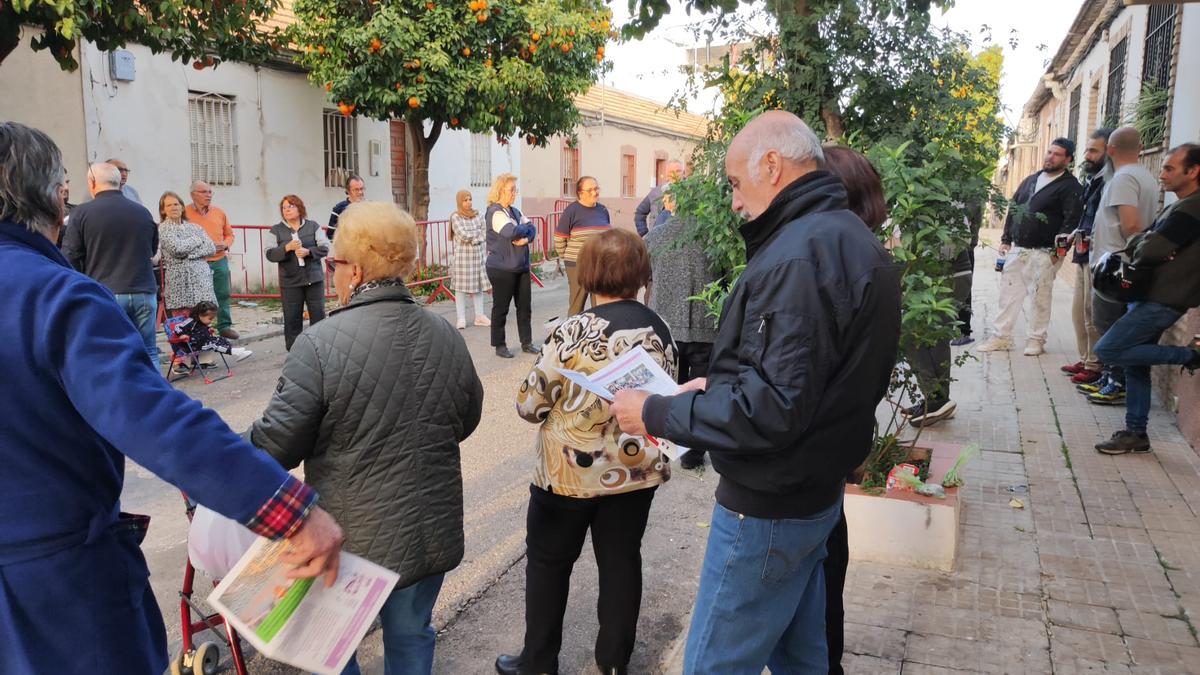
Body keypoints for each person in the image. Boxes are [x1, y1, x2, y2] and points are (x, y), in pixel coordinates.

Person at [0, 120, 344, 675]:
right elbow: (154, 418)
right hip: (57, 593)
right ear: (51, 197)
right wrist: (287, 508)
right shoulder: (52, 296)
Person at [611, 111, 902, 673]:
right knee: (802, 658)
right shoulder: (849, 240)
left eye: (736, 185)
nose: (735, 203)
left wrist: (656, 410)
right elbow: (814, 373)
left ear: (773, 166)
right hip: (813, 492)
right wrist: (718, 383)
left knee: (714, 663)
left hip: (770, 503)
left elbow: (770, 409)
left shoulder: (798, 255)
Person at [248, 201, 484, 675]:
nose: (332, 274)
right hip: (427, 527)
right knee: (413, 633)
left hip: (352, 540)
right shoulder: (444, 333)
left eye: (335, 265)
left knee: (336, 643)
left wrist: (223, 450)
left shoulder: (319, 344)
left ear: (354, 270)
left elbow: (276, 446)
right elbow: (466, 418)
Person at [496, 229, 676, 675]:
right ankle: (613, 662)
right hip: (635, 472)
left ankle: (538, 662)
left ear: (590, 273)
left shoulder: (570, 331)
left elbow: (529, 405)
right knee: (621, 562)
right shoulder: (660, 327)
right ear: (639, 273)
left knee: (549, 563)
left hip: (567, 475)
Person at [810, 144, 890, 674]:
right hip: (837, 450)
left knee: (817, 572)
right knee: (826, 570)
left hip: (811, 459)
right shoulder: (869, 256)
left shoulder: (830, 263)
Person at [1093, 143, 1200, 454]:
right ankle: (1135, 433)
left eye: (1169, 168)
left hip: (1163, 299)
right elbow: (1147, 241)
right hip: (1151, 293)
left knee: (1110, 350)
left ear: (1193, 172)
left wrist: (1144, 240)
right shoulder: (1181, 204)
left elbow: (1150, 248)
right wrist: (1146, 239)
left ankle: (1190, 357)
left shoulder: (1191, 208)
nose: (1162, 174)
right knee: (1136, 363)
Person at [977, 138, 1083, 356]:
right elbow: (1014, 208)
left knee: (1040, 296)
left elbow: (1071, 223)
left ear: (1068, 159)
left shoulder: (1070, 187)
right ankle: (1001, 337)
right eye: (1049, 152)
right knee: (1008, 293)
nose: (1050, 157)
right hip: (1019, 248)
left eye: (1056, 154)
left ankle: (1036, 339)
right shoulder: (1030, 180)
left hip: (1045, 252)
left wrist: (1058, 253)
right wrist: (1006, 239)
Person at [1081, 126, 1162, 405]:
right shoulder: (1145, 177)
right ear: (1139, 149)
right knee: (1110, 324)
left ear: (1111, 150)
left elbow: (1131, 226)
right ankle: (1111, 377)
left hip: (1115, 267)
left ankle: (1115, 382)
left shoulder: (1124, 178)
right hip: (1119, 263)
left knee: (1108, 325)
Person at [644, 187, 718, 471]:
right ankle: (693, 454)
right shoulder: (711, 238)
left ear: (669, 204)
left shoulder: (656, 236)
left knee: (666, 389)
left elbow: (644, 274)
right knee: (699, 392)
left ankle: (666, 447)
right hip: (704, 326)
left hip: (666, 326)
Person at [62, 162, 161, 364]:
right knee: (148, 350)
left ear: (92, 182)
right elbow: (151, 250)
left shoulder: (81, 213)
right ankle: (151, 393)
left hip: (106, 291)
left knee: (111, 352)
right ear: (119, 183)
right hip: (144, 290)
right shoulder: (142, 212)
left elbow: (70, 255)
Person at [1061, 128, 1113, 386]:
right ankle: (1085, 358)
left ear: (1109, 152)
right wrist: (1075, 234)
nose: (1087, 155)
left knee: (1092, 313)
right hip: (1083, 253)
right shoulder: (1094, 179)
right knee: (1078, 312)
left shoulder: (1110, 182)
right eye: (1087, 150)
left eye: (1093, 151)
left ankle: (1095, 365)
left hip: (1098, 256)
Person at [485, 172, 539, 358]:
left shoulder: (515, 211)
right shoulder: (495, 212)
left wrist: (527, 238)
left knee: (525, 306)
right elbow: (511, 232)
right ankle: (499, 345)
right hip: (501, 268)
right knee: (501, 308)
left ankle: (527, 342)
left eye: (515, 190)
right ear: (500, 190)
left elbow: (533, 228)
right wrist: (525, 232)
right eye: (511, 190)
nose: (514, 193)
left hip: (521, 266)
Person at [266, 195, 329, 350]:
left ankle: (319, 349)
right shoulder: (276, 230)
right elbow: (270, 254)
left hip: (313, 279)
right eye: (284, 208)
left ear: (300, 208)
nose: (287, 210)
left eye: (291, 206)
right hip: (290, 282)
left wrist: (308, 251)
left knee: (318, 315)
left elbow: (325, 247)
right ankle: (294, 351)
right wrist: (286, 248)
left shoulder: (313, 226)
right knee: (292, 318)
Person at [186, 180, 239, 339]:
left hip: (219, 259)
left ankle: (224, 326)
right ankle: (198, 327)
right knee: (197, 297)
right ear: (193, 194)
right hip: (197, 261)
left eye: (210, 192)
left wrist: (225, 244)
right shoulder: (184, 213)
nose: (208, 195)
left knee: (222, 293)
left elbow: (229, 234)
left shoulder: (219, 212)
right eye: (204, 192)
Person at [555, 176, 612, 315]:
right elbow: (559, 238)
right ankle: (574, 334)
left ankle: (598, 334)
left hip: (600, 264)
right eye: (590, 190)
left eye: (596, 188)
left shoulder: (603, 210)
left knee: (600, 304)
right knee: (577, 304)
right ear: (580, 193)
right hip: (577, 264)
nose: (594, 192)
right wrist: (570, 257)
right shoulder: (572, 210)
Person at [157, 190, 217, 316]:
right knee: (184, 323)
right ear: (163, 210)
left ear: (182, 207)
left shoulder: (194, 227)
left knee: (203, 318)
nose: (173, 207)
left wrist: (190, 255)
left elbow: (211, 248)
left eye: (176, 204)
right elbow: (177, 249)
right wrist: (196, 240)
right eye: (169, 205)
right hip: (180, 283)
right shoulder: (164, 228)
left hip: (201, 282)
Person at [449, 189, 491, 329]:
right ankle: (461, 318)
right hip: (463, 259)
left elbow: (485, 232)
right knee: (460, 289)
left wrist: (475, 237)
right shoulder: (456, 217)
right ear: (459, 202)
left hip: (478, 256)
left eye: (470, 199)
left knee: (478, 287)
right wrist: (476, 236)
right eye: (465, 200)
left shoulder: (478, 215)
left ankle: (479, 316)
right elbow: (462, 235)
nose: (468, 202)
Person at [175, 300, 253, 363]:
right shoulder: (190, 321)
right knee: (214, 345)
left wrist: (208, 330)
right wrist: (181, 335)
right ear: (200, 315)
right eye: (210, 319)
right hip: (194, 345)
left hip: (204, 342)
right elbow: (177, 327)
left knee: (221, 339)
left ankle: (235, 352)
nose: (211, 321)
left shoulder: (202, 321)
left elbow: (200, 331)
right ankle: (236, 353)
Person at [634, 160, 683, 236]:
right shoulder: (656, 192)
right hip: (655, 240)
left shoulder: (690, 193)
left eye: (678, 171)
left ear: (683, 173)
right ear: (667, 174)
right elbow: (639, 213)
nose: (674, 175)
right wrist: (645, 234)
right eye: (671, 172)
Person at [328, 173, 365, 241]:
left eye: (362, 189)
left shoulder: (370, 208)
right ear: (348, 191)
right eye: (356, 189)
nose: (360, 192)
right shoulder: (338, 209)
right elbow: (330, 236)